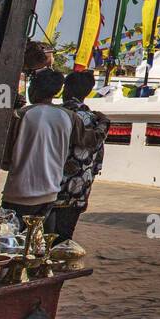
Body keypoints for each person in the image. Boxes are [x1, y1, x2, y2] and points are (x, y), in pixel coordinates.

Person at [1, 68, 72, 221]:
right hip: (50, 193)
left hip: (19, 192)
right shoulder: (68, 117)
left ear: (34, 89)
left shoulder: (22, 115)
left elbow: (5, 160)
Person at [51, 70, 111, 244]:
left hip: (46, 186)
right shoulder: (97, 122)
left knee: (37, 237)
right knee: (63, 239)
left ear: (65, 88)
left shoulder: (53, 114)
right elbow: (97, 159)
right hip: (77, 189)